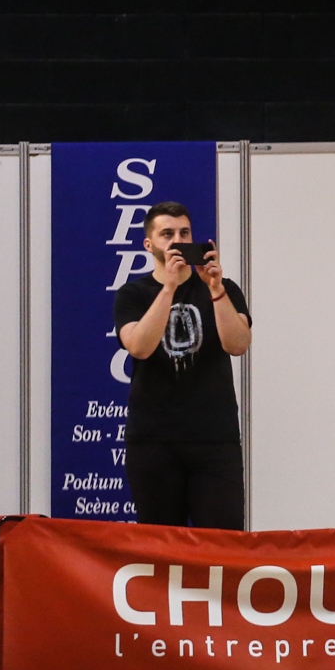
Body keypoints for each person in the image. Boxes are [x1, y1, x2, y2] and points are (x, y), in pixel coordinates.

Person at [114, 203, 252, 529]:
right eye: (167, 234)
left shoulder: (225, 288)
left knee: (223, 544)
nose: (177, 240)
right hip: (153, 442)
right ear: (149, 244)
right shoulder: (133, 293)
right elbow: (140, 347)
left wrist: (215, 289)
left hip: (214, 441)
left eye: (184, 233)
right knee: (160, 547)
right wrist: (169, 288)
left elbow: (238, 344)